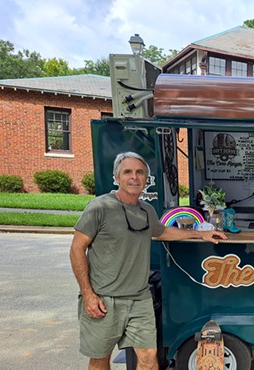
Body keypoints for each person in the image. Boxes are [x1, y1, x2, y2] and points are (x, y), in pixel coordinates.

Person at [70, 152, 227, 370]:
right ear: (116, 177)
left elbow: (161, 231)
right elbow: (77, 249)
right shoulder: (99, 208)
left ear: (146, 179)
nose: (134, 177)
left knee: (148, 358)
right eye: (128, 172)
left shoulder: (146, 210)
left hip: (139, 298)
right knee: (100, 360)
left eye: (139, 172)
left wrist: (200, 234)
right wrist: (88, 294)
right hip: (104, 299)